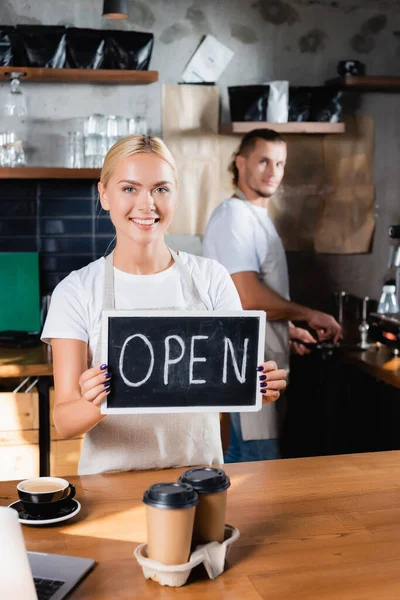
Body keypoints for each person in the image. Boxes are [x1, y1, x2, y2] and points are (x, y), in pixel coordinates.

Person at [41, 134, 287, 475]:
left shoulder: (212, 279)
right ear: (104, 195)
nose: (147, 204)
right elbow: (64, 421)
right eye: (129, 188)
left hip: (200, 482)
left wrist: (260, 389)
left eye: (161, 188)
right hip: (110, 486)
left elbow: (233, 395)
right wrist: (95, 402)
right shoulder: (76, 291)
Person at [203, 128, 342, 463]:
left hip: (264, 367)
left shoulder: (255, 216)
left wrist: (286, 330)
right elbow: (247, 295)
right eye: (263, 160)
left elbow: (242, 305)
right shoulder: (234, 216)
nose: (273, 171)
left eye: (280, 163)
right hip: (249, 368)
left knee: (247, 464)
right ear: (240, 163)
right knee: (259, 467)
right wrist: (307, 315)